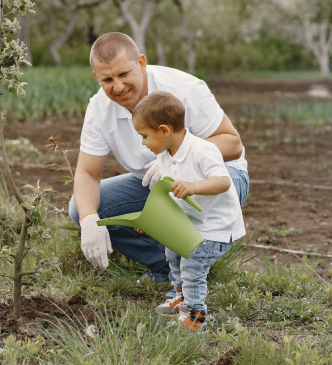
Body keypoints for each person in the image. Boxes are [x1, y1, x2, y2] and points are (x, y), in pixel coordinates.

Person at [69, 32, 248, 299]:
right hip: (155, 185)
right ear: (97, 77)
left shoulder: (183, 89)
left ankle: (189, 279)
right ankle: (166, 265)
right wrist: (89, 220)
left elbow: (232, 143)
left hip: (218, 177)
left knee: (183, 202)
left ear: (141, 62)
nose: (117, 86)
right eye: (107, 79)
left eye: (124, 74)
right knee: (81, 207)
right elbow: (87, 173)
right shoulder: (99, 109)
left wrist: (176, 159)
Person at [131, 91, 245, 331]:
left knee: (192, 265)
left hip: (216, 227)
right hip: (191, 223)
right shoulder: (165, 155)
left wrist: (194, 187)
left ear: (164, 131)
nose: (142, 142)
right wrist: (150, 220)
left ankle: (195, 316)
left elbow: (223, 181)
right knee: (172, 252)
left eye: (144, 136)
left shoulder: (203, 150)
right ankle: (181, 297)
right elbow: (163, 192)